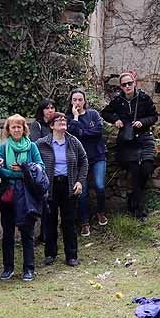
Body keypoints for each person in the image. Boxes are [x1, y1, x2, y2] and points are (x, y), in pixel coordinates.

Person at [101, 71, 159, 220]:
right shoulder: (118, 100)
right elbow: (105, 113)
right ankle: (139, 211)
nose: (127, 86)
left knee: (146, 169)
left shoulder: (144, 98)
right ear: (121, 86)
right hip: (127, 142)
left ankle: (133, 198)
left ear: (135, 83)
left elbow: (154, 116)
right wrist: (116, 120)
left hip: (144, 138)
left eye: (129, 83)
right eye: (124, 84)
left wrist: (143, 122)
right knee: (134, 172)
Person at [35, 113, 87, 267]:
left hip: (69, 185)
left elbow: (84, 162)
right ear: (51, 125)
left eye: (64, 120)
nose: (63, 122)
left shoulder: (73, 141)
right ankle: (50, 253)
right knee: (49, 221)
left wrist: (79, 181)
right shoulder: (41, 143)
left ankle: (71, 255)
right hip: (50, 186)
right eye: (59, 120)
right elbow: (34, 163)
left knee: (69, 222)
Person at [0, 115, 43, 281]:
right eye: (13, 127)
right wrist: (17, 174)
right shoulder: (3, 148)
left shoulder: (32, 148)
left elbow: (39, 168)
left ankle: (29, 268)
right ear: (8, 130)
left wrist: (23, 171)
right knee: (8, 232)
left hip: (27, 195)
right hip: (7, 195)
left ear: (24, 129)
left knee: (27, 232)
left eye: (19, 127)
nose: (16, 130)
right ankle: (8, 268)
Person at [67, 88, 108, 235]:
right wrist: (76, 118)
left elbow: (98, 132)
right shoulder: (68, 118)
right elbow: (72, 135)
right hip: (79, 160)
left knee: (100, 186)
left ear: (85, 101)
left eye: (80, 99)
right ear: (71, 102)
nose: (77, 102)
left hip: (97, 156)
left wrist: (82, 132)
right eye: (75, 100)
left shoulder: (93, 114)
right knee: (81, 192)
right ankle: (84, 222)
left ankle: (101, 212)